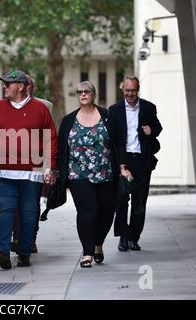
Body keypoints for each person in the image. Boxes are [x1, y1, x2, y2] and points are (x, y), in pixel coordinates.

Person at [0, 69, 58, 269]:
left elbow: (51, 139)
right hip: (2, 172)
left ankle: (24, 252)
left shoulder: (40, 109)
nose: (4, 87)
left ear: (20, 86)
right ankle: (2, 251)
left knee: (29, 213)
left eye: (8, 84)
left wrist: (50, 168)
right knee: (3, 211)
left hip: (32, 173)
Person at [57, 81, 118, 268]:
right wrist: (57, 171)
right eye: (79, 92)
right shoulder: (69, 120)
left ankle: (98, 242)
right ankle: (87, 252)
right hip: (78, 174)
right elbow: (61, 148)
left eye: (87, 91)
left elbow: (118, 142)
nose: (83, 94)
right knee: (87, 210)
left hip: (105, 172)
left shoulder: (107, 116)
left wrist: (122, 165)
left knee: (107, 211)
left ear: (94, 94)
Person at [109, 75, 162, 252]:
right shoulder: (114, 110)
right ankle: (123, 237)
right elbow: (114, 140)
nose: (130, 94)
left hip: (142, 160)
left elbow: (158, 128)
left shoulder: (148, 107)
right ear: (122, 89)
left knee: (140, 202)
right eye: (127, 90)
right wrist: (120, 164)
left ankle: (134, 237)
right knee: (122, 200)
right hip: (124, 160)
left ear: (137, 89)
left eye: (133, 90)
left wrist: (151, 130)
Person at [10, 75, 55, 254]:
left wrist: (50, 167)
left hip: (36, 163)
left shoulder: (45, 105)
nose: (26, 88)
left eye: (29, 85)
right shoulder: (7, 105)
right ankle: (17, 236)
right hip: (12, 162)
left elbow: (51, 136)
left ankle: (30, 238)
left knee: (32, 203)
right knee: (13, 203)